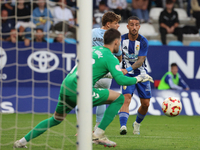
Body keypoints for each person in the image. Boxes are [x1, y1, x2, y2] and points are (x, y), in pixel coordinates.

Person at [13, 28, 154, 148]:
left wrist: (115, 73)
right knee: (119, 98)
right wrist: (139, 78)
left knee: (56, 118)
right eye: (119, 43)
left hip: (67, 84)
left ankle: (21, 141)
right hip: (80, 89)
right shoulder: (110, 57)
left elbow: (94, 70)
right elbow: (121, 80)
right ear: (116, 42)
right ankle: (98, 134)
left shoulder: (93, 49)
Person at [75, 11, 122, 135]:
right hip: (106, 74)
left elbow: (83, 49)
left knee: (83, 99)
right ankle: (97, 129)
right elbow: (119, 58)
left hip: (92, 72)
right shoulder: (115, 37)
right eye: (116, 23)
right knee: (103, 99)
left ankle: (81, 129)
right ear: (108, 24)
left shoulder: (91, 32)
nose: (118, 26)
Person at [119, 16, 151, 135]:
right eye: (131, 25)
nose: (134, 27)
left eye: (136, 25)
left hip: (141, 75)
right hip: (127, 76)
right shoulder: (121, 40)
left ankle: (136, 123)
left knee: (146, 104)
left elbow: (140, 61)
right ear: (127, 26)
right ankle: (123, 126)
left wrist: (126, 69)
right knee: (126, 98)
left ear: (139, 26)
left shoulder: (143, 41)